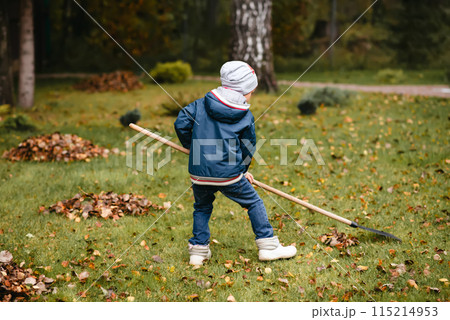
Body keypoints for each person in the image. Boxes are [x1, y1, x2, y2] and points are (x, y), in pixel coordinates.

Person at [174, 61, 297, 265]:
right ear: (244, 91)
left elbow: (181, 123)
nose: (251, 97)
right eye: (251, 92)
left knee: (202, 207)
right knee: (254, 202)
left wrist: (192, 146)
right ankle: (268, 246)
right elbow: (248, 147)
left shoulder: (199, 105)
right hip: (228, 174)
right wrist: (242, 170)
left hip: (199, 173)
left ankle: (198, 251)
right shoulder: (244, 115)